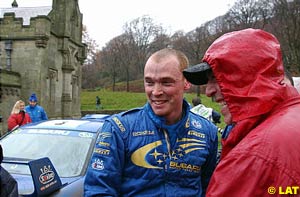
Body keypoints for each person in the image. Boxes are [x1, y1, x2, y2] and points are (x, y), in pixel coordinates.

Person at [84, 48, 218, 197]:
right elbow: (98, 191)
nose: (156, 92)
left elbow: (210, 189)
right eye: (149, 82)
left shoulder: (207, 132)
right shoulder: (119, 129)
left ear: (186, 82)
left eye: (166, 83)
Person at [183, 28, 300, 196]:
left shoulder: (254, 155)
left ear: (248, 74)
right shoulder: (292, 115)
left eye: (216, 77)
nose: (208, 91)